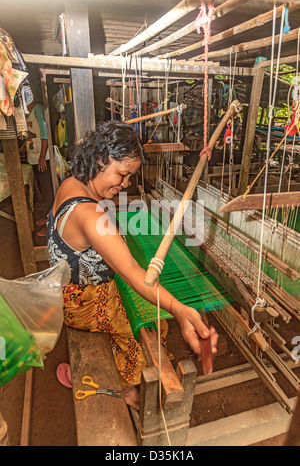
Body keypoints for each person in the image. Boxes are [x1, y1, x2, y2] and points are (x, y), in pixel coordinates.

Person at [46, 121, 218, 409]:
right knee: (149, 327)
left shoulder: (71, 184)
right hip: (86, 305)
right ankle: (123, 387)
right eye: (123, 174)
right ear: (101, 160)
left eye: (129, 177)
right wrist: (179, 308)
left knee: (147, 313)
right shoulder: (90, 215)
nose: (126, 184)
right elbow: (134, 273)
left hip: (68, 294)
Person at [20, 100, 54, 237]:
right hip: (34, 158)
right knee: (42, 189)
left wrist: (41, 157)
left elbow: (45, 135)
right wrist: (21, 149)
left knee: (48, 191)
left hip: (42, 158)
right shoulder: (27, 112)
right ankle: (48, 217)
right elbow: (29, 136)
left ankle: (51, 222)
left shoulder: (38, 109)